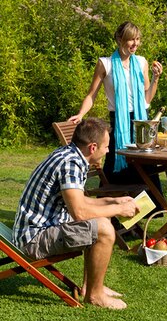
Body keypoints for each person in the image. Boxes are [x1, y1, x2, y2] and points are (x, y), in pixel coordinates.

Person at [12, 118, 140, 309]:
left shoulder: (70, 154)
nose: (107, 151)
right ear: (93, 147)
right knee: (103, 228)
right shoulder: (71, 164)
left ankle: (91, 286)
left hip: (34, 231)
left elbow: (80, 201)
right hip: (33, 239)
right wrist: (119, 210)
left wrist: (113, 201)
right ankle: (95, 296)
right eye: (106, 147)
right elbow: (79, 212)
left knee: (101, 218)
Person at [68, 21, 163, 191]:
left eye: (138, 39)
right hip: (119, 122)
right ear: (120, 39)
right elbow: (92, 95)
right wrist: (81, 114)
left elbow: (146, 100)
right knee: (115, 162)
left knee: (145, 166)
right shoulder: (105, 64)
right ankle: (111, 207)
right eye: (131, 39)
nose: (136, 44)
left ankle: (146, 209)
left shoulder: (142, 63)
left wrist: (156, 79)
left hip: (141, 121)